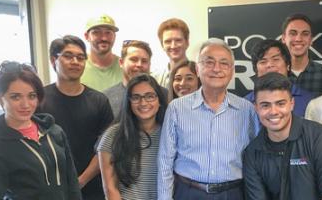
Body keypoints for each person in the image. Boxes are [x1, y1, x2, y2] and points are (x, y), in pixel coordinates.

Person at [158, 39, 258, 200]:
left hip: (233, 194)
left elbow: (257, 159)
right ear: (197, 69)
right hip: (188, 192)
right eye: (209, 62)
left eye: (224, 63)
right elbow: (165, 161)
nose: (216, 69)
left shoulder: (247, 110)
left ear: (232, 71)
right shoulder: (177, 108)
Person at [0, 61, 82, 199]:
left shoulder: (55, 132)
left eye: (32, 96)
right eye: (15, 97)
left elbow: (72, 184)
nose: (25, 105)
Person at [243, 72, 322, 200]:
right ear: (256, 108)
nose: (273, 111)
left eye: (280, 104)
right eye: (265, 105)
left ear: (292, 104)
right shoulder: (252, 152)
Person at [38, 35, 113, 200]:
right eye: (68, 56)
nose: (75, 61)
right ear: (53, 60)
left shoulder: (99, 100)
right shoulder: (39, 99)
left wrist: (80, 181)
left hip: (93, 187)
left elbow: (105, 148)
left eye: (80, 58)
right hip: (52, 188)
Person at [98, 74, 167, 200]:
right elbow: (110, 188)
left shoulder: (169, 134)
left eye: (150, 96)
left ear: (160, 101)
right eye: (136, 97)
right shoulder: (113, 135)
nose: (143, 102)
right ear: (128, 102)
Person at [245, 39, 313, 117]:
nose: (269, 65)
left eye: (276, 59)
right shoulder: (245, 103)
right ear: (256, 70)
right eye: (263, 62)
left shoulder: (309, 101)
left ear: (287, 65)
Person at [280, 13, 322, 97]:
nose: (298, 39)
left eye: (305, 34)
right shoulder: (276, 74)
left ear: (311, 40)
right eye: (293, 33)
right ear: (283, 38)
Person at [104, 40, 153, 119]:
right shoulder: (106, 99)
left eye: (144, 61)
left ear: (149, 65)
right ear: (121, 62)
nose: (139, 65)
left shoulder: (163, 95)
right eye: (134, 59)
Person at [81, 14, 122, 92]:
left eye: (108, 32)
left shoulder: (124, 67)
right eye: (96, 32)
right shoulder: (78, 67)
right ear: (86, 36)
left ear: (114, 36)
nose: (104, 38)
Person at [154, 18, 190, 89]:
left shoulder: (199, 75)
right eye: (168, 41)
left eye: (178, 40)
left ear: (187, 43)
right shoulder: (155, 79)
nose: (173, 46)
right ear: (162, 45)